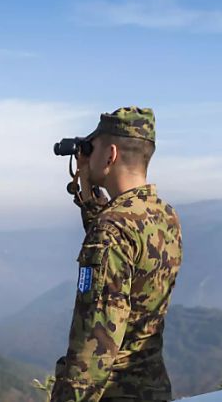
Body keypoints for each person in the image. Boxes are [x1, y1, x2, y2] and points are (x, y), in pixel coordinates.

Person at [50, 106, 183, 402]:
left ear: (110, 154)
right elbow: (118, 242)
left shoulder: (111, 231)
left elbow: (92, 353)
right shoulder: (164, 215)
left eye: (91, 148)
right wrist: (86, 189)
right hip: (153, 388)